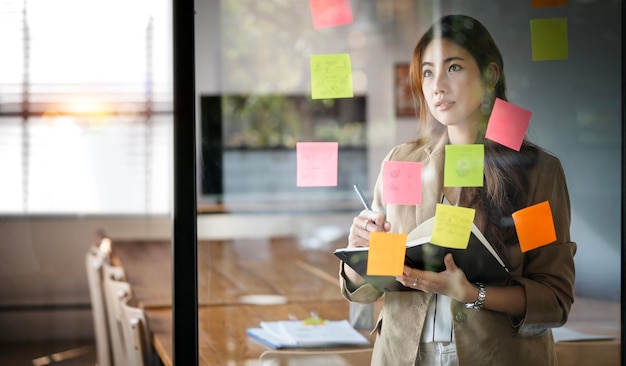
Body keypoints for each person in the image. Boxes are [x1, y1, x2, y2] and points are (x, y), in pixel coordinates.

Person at [339, 14, 576, 366]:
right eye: (428, 72)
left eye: (453, 68)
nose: (437, 86)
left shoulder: (534, 173)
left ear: (490, 76)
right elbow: (371, 287)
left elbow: (553, 298)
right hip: (404, 355)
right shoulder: (403, 163)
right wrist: (361, 250)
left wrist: (471, 294)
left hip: (496, 355)